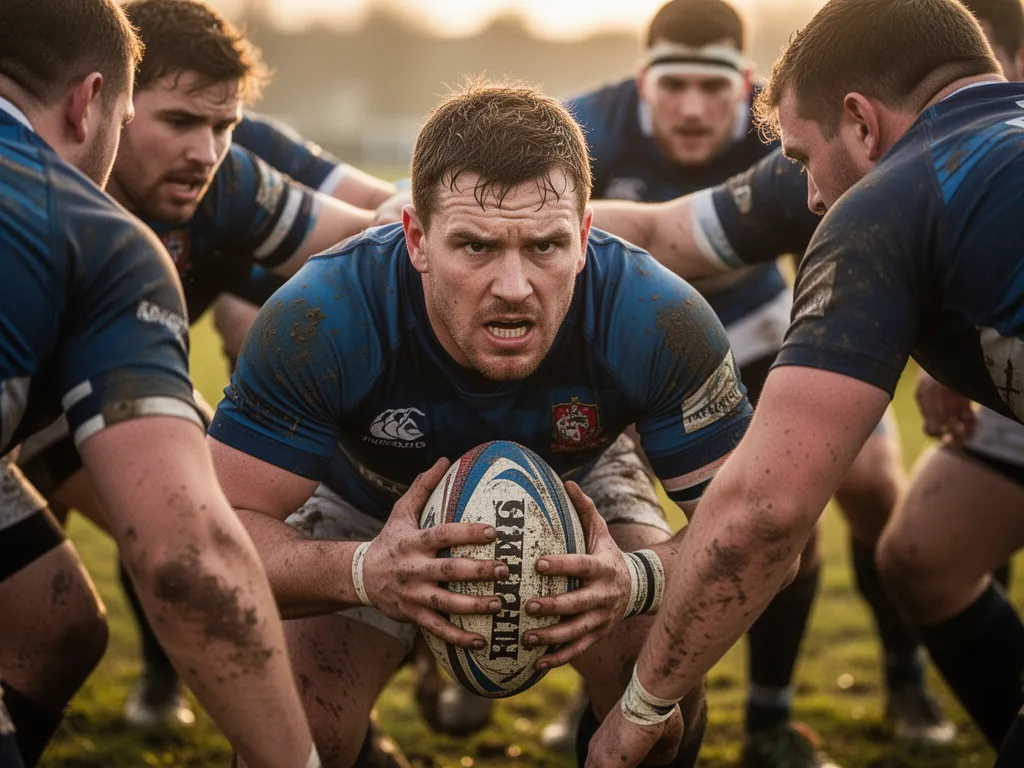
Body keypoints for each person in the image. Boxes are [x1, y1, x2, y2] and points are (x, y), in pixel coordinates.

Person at [205, 79, 754, 768]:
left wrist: (639, 577)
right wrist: (361, 570)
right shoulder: (325, 315)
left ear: (586, 238)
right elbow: (214, 539)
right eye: (475, 247)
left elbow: (758, 530)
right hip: (362, 490)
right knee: (298, 731)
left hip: (583, 477)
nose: (515, 286)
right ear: (416, 238)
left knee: (660, 698)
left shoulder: (655, 315)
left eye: (547, 247)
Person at [581, 0, 1024, 765]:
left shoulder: (881, 206)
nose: (812, 199)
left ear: (860, 121)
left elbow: (764, 514)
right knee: (923, 551)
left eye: (797, 157)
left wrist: (641, 707)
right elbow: (665, 233)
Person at [12, 0, 385, 732]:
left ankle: (336, 723)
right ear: (103, 102)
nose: (206, 152)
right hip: (43, 401)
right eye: (179, 122)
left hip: (67, 404)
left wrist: (505, 235)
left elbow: (378, 235)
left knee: (69, 624)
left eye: (223, 129)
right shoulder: (55, 208)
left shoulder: (231, 180)